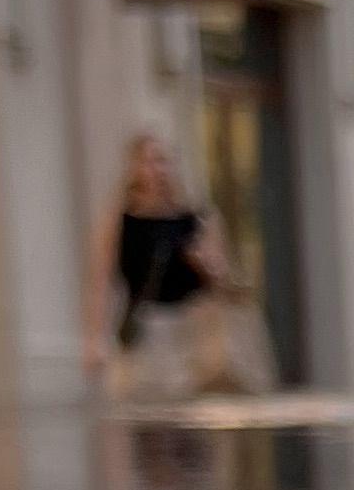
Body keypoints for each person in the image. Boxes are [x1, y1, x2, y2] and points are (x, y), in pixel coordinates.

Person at [96, 134, 261, 403]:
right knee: (145, 407)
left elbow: (223, 277)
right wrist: (95, 338)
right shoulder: (118, 222)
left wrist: (205, 263)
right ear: (134, 168)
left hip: (191, 325)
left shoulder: (196, 218)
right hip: (145, 325)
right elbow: (99, 280)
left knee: (193, 408)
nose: (156, 169)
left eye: (162, 160)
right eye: (148, 161)